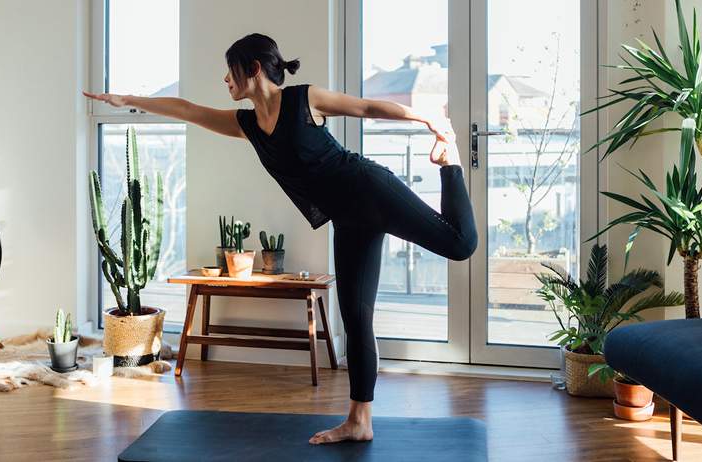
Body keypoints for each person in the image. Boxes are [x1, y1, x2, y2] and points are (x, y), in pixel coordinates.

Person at [83, 32, 478, 445]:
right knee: (357, 319)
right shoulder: (248, 125)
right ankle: (360, 421)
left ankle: (450, 164)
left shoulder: (304, 99)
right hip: (347, 219)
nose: (225, 80)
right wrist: (127, 98)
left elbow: (364, 107)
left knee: (459, 245)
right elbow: (187, 109)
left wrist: (426, 119)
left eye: (230, 71)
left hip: (370, 189)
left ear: (253, 69)